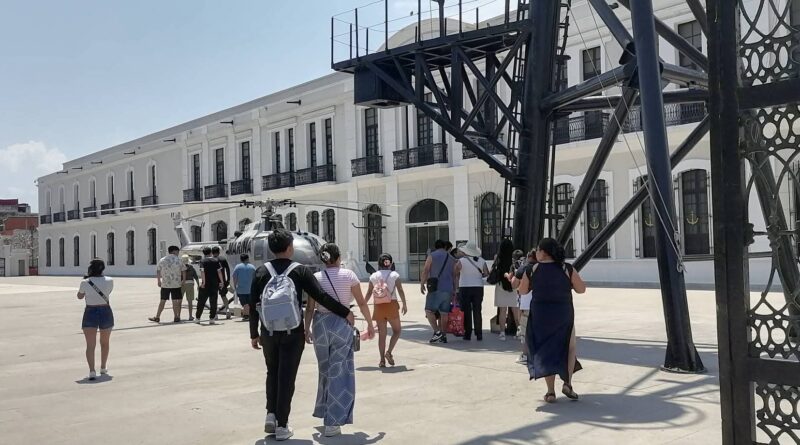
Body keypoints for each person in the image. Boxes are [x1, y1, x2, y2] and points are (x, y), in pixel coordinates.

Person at [248, 229, 356, 441]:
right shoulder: (300, 271)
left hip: (268, 331)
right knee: (287, 377)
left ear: (271, 248)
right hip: (292, 331)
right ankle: (282, 425)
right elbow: (321, 297)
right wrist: (346, 312)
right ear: (290, 247)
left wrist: (254, 333)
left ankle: (271, 414)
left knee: (272, 372)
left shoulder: (261, 271)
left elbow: (253, 305)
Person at [305, 243, 374, 437]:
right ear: (338, 257)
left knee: (325, 370)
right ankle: (332, 421)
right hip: (341, 324)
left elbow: (310, 307)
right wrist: (369, 323)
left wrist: (306, 329)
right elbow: (361, 302)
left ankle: (324, 410)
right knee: (340, 371)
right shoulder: (349, 275)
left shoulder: (316, 278)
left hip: (320, 325)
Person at [517, 237, 586, 403]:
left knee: (544, 350)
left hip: (541, 314)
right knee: (569, 347)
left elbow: (522, 291)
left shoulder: (532, 269)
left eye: (538, 250)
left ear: (543, 252)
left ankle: (550, 392)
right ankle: (568, 383)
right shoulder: (566, 269)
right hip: (563, 313)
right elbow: (581, 289)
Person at [365, 253, 407, 367]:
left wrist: (363, 304)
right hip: (391, 305)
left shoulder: (373, 276)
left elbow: (369, 292)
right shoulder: (395, 275)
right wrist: (404, 304)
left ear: (379, 264)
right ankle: (389, 352)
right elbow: (400, 290)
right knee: (397, 331)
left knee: (382, 335)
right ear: (391, 263)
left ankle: (382, 360)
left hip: (378, 306)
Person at [77, 259, 114, 380]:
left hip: (90, 311)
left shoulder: (85, 282)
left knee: (90, 345)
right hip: (105, 311)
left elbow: (80, 296)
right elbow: (108, 293)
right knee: (105, 342)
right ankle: (103, 367)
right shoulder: (110, 280)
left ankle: (92, 370)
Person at [421, 239, 456, 344]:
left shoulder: (432, 256)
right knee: (444, 313)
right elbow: (454, 275)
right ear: (445, 246)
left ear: (436, 246)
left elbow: (426, 270)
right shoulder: (452, 258)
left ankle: (437, 332)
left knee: (429, 310)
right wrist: (455, 289)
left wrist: (422, 283)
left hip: (436, 288)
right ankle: (444, 335)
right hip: (448, 288)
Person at [454, 241, 489, 341]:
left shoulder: (461, 261)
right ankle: (479, 334)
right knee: (477, 310)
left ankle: (467, 333)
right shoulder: (482, 260)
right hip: (478, 287)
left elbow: (455, 272)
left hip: (465, 287)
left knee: (466, 310)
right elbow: (486, 273)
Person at [508, 249, 536, 364]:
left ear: (528, 256)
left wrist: (513, 274)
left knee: (525, 331)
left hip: (526, 305)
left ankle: (525, 355)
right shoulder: (546, 267)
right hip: (544, 305)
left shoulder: (524, 268)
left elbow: (514, 284)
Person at [149, 245, 185, 323]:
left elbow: (158, 270)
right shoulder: (179, 260)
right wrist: (183, 280)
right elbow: (183, 270)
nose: (178, 253)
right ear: (174, 251)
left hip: (165, 284)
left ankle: (157, 317)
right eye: (177, 251)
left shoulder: (162, 260)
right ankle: (176, 317)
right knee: (175, 301)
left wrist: (158, 281)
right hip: (176, 284)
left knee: (162, 301)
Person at [493, 239, 519, 341]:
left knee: (502, 311)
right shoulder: (513, 260)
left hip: (500, 286)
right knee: (516, 311)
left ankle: (502, 333)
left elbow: (494, 271)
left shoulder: (497, 258)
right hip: (513, 286)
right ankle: (519, 332)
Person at [197, 247, 224, 324]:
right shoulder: (216, 260)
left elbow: (202, 272)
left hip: (206, 285)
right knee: (213, 302)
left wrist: (203, 283)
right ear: (211, 253)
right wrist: (221, 282)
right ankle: (212, 318)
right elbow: (219, 272)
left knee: (201, 301)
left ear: (204, 253)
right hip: (214, 284)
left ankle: (198, 318)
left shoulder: (202, 261)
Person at [232, 253, 257, 321]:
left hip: (241, 289)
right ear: (248, 259)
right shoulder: (252, 267)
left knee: (244, 303)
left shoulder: (237, 267)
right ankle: (248, 315)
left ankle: (246, 315)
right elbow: (256, 277)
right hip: (250, 289)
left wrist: (235, 286)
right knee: (249, 303)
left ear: (240, 259)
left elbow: (234, 277)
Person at [212, 246, 232, 319]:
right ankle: (228, 310)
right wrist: (228, 279)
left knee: (214, 297)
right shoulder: (223, 259)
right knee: (223, 296)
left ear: (212, 252)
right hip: (222, 280)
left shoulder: (211, 260)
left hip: (213, 281)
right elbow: (228, 269)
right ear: (219, 252)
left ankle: (215, 314)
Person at [181, 255, 200, 321]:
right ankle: (190, 316)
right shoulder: (191, 267)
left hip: (182, 284)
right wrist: (198, 285)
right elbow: (196, 277)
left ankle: (178, 315)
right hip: (190, 283)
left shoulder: (180, 267)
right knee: (190, 301)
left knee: (179, 301)